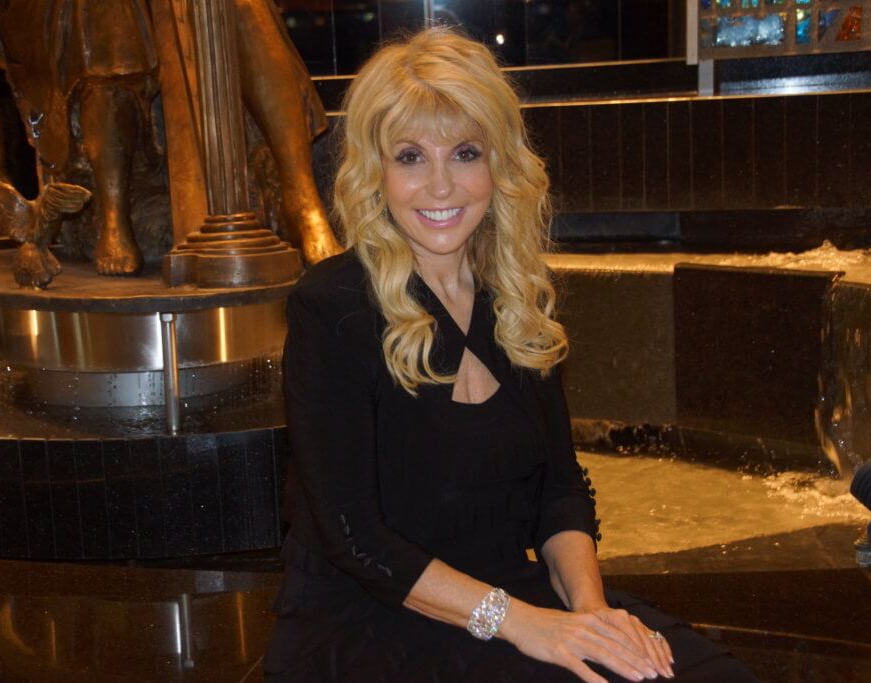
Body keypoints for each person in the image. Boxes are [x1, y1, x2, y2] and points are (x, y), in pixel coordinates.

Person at [266, 27, 757, 682]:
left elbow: (560, 488)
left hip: (506, 593)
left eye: (465, 153)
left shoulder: (517, 299)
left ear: (498, 165)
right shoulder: (332, 307)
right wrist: (526, 624)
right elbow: (354, 536)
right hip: (367, 620)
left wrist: (590, 612)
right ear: (375, 173)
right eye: (410, 157)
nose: (441, 185)